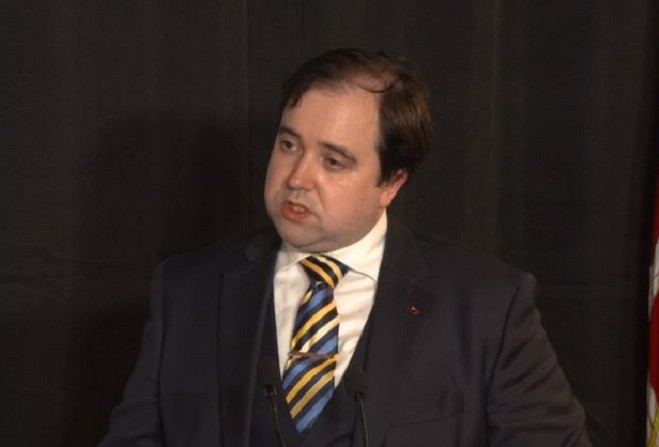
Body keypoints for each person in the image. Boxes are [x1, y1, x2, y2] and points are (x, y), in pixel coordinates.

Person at [99, 48, 591, 446]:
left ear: (392, 183)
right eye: (289, 145)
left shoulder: (488, 307)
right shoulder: (187, 290)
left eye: (332, 162)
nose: (297, 177)